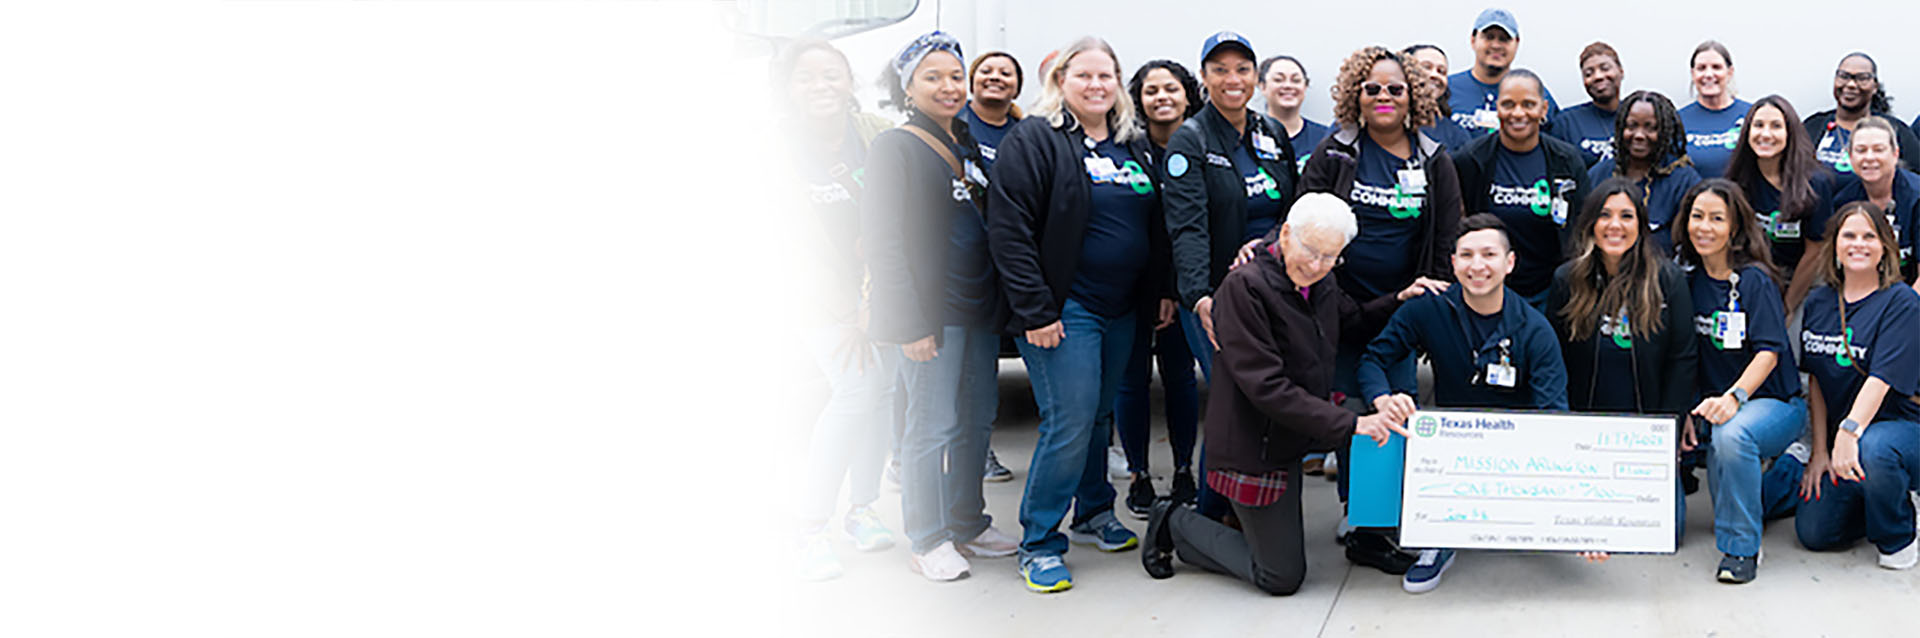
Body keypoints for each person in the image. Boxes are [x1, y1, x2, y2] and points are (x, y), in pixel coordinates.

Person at [1140, 194, 1438, 595]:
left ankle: (1367, 534)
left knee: (1376, 419)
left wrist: (1398, 299)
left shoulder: (1322, 280)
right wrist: (1353, 425)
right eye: (1310, 251)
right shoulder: (1244, 288)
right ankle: (1176, 522)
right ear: (1285, 234)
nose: (1316, 266)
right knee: (1280, 577)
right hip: (1255, 442)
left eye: (1330, 256)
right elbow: (1268, 388)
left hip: (1297, 429)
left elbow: (1353, 321)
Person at [986, 36, 1169, 593]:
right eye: (1083, 76)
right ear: (1061, 81)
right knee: (1068, 421)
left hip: (1122, 308)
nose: (1095, 86)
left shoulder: (1130, 144)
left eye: (1105, 76)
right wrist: (1037, 310)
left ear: (1119, 85)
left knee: (1097, 416)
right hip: (1066, 307)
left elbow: (1153, 223)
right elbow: (1009, 230)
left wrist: (1159, 288)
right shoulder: (1036, 140)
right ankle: (1040, 542)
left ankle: (1093, 512)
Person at [1298, 45, 1462, 575]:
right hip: (1340, 309)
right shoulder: (1334, 153)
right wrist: (1336, 301)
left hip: (1402, 311)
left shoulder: (1434, 159)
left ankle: (1380, 516)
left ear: (1413, 95)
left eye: (1396, 88)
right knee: (1356, 416)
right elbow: (1303, 227)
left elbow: (1444, 239)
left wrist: (1425, 299)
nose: (1385, 97)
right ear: (1356, 96)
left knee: (1399, 408)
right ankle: (1361, 518)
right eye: (1373, 88)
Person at [864, 31, 1021, 582]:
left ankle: (967, 522)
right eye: (933, 77)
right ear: (907, 88)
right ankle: (927, 537)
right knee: (931, 426)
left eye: (955, 75)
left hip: (977, 309)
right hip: (933, 312)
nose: (949, 86)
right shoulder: (896, 145)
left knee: (976, 421)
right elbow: (881, 241)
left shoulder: (966, 144)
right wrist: (908, 322)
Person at [1357, 213, 1575, 594]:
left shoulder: (1535, 329)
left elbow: (1554, 416)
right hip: (1449, 442)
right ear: (1453, 263)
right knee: (1377, 427)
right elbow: (1374, 358)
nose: (1478, 266)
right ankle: (1384, 530)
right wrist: (1383, 399)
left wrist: (1575, 518)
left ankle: (1502, 519)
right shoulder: (1428, 308)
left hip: (1513, 449)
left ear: (1509, 263)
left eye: (1489, 254)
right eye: (1467, 255)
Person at [774, 39, 902, 582]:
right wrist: (849, 310)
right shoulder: (773, 147)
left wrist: (873, 297)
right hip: (819, 298)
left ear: (850, 83)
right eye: (807, 78)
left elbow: (895, 215)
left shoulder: (872, 135)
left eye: (832, 75)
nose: (821, 86)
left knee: (883, 396)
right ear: (788, 88)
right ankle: (808, 528)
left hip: (881, 292)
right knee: (853, 393)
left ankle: (862, 509)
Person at [1165, 31, 1298, 519]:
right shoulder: (1191, 139)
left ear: (1255, 78)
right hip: (1217, 296)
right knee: (1230, 400)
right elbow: (1187, 226)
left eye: (1242, 68)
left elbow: (1291, 210)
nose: (1232, 79)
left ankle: (1247, 509)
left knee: (1260, 398)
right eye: (1219, 69)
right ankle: (1208, 514)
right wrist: (1200, 296)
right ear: (1203, 77)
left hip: (1274, 290)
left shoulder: (1270, 132)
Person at [1669, 178, 1807, 583]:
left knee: (1731, 438)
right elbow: (1685, 356)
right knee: (1729, 469)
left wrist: (1734, 397)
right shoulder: (1685, 282)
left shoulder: (1753, 280)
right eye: (1697, 217)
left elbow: (1769, 351)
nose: (1704, 227)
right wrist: (1687, 411)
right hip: (1715, 407)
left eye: (1716, 218)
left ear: (1735, 227)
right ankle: (1788, 475)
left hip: (1773, 402)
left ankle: (1741, 549)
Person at [1793, 201, 1920, 570]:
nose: (1858, 244)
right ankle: (1877, 496)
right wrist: (1819, 450)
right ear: (1834, 244)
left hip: (1901, 432)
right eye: (1849, 235)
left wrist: (1847, 433)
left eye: (1869, 236)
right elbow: (1815, 380)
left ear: (1885, 248)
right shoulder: (1818, 301)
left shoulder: (1902, 302)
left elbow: (1880, 379)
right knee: (1814, 533)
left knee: (1875, 447)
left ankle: (1897, 535)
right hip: (1846, 438)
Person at [1119, 59, 1204, 517]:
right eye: (1151, 90)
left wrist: (1174, 290)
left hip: (1181, 286)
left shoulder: (1200, 143)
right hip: (1131, 286)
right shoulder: (1124, 147)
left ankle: (1184, 470)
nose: (1161, 97)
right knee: (1130, 383)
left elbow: (1191, 226)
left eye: (1170, 88)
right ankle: (1138, 475)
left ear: (1187, 94)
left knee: (1180, 379)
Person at [1452, 69, 1591, 311]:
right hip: (1486, 291)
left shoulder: (1566, 160)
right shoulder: (1472, 160)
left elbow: (1582, 228)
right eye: (1508, 104)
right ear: (1497, 108)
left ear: (1544, 109)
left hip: (1549, 292)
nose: (1518, 113)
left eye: (1528, 104)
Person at [958, 51, 1025, 484]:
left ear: (1017, 85)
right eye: (987, 71)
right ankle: (969, 458)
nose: (995, 78)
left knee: (984, 376)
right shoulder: (956, 126)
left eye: (1006, 73)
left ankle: (977, 454)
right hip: (967, 267)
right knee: (962, 374)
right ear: (972, 80)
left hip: (1011, 266)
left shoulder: (1025, 133)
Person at [1724, 95, 1837, 312]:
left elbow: (1815, 252)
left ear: (1790, 133)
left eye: (1776, 126)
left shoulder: (1815, 182)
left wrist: (1787, 307)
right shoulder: (1736, 179)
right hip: (1752, 280)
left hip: (1802, 281)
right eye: (1758, 125)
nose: (1765, 134)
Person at [1586, 91, 1703, 255]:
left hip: (1662, 275)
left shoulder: (1684, 180)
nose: (1639, 135)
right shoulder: (1598, 174)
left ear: (1665, 131)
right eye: (1632, 126)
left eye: (1651, 128)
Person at [1829, 116, 1920, 282]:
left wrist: (1904, 307)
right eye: (1861, 150)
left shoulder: (1916, 197)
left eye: (1878, 149)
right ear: (1850, 156)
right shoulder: (1844, 201)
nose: (1869, 157)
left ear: (1895, 154)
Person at [1447, 8, 1558, 138]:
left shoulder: (1534, 93)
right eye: (1489, 37)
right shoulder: (1448, 89)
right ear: (1473, 40)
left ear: (1516, 43)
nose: (1496, 45)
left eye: (1504, 39)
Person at [1804, 52, 1920, 175]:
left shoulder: (1896, 129)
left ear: (1875, 86)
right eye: (1844, 76)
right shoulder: (1813, 125)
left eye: (1862, 78)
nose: (1851, 84)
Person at [1679, 41, 1749, 179]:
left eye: (1716, 67)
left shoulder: (1751, 115)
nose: (1709, 74)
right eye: (1701, 68)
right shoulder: (1678, 120)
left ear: (1729, 72)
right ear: (1693, 74)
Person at [1548, 42, 1624, 167]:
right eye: (1588, 74)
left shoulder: (1638, 117)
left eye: (1605, 68)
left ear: (1621, 71)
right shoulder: (1566, 123)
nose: (1598, 76)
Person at [1262, 55, 1330, 170]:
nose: (1288, 85)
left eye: (1296, 80)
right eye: (1278, 80)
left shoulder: (1325, 138)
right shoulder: (1249, 136)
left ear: (1305, 87)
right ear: (1262, 86)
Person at [1404, 44, 1475, 152]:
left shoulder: (1455, 134)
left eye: (1441, 71)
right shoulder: (1386, 120)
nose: (1435, 75)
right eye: (1426, 67)